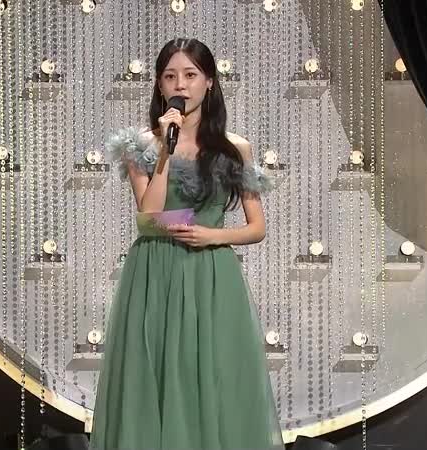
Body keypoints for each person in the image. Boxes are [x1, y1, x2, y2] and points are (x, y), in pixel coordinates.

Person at [89, 37, 285, 450]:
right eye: (170, 76)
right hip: (154, 274)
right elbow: (148, 215)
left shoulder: (235, 148)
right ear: (160, 87)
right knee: (155, 378)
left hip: (211, 274)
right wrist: (165, 149)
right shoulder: (140, 146)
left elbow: (256, 228)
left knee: (212, 379)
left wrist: (211, 234)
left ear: (209, 82)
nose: (181, 84)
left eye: (191, 75)